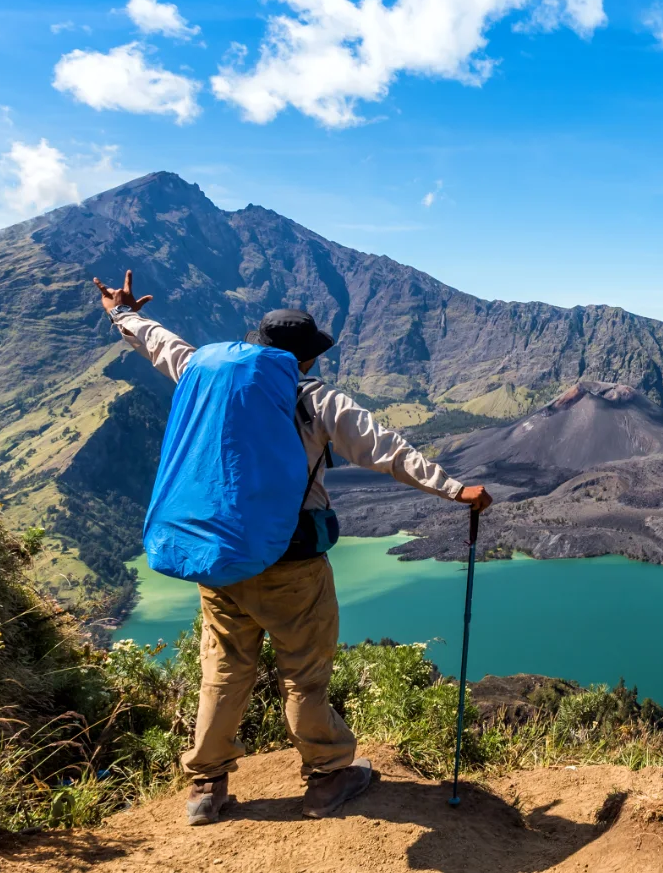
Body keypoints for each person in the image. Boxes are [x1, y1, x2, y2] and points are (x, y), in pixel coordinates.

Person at [93, 270, 491, 826]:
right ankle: (328, 777)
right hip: (291, 563)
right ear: (305, 358)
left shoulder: (204, 371)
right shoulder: (312, 398)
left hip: (219, 556)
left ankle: (207, 786)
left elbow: (161, 343)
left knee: (225, 669)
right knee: (303, 673)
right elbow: (386, 449)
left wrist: (122, 313)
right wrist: (455, 489)